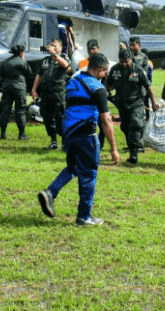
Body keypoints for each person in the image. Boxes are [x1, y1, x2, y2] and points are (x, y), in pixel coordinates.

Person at [36, 52, 120, 226]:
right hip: (86, 134)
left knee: (73, 167)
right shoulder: (97, 87)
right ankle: (84, 216)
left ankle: (50, 192)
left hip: (69, 133)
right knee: (89, 173)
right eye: (105, 72)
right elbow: (105, 119)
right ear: (100, 70)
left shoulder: (73, 82)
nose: (105, 75)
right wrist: (113, 148)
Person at [105, 48, 158, 165]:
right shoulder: (114, 70)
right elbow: (107, 85)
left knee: (135, 124)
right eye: (121, 61)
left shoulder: (138, 70)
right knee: (125, 127)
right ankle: (133, 144)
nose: (124, 64)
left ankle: (134, 153)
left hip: (136, 103)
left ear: (131, 60)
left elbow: (148, 87)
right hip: (121, 103)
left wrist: (153, 102)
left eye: (126, 61)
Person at [31, 38, 71, 150]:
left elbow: (66, 65)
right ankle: (53, 142)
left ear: (60, 47)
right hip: (45, 92)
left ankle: (64, 142)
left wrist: (55, 55)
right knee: (47, 116)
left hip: (58, 92)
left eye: (55, 46)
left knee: (61, 117)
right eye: (51, 46)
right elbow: (39, 75)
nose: (53, 48)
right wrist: (34, 90)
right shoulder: (45, 60)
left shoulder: (63, 57)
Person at [0, 44, 31, 140]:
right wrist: (23, 59)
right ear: (21, 52)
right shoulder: (21, 62)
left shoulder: (5, 62)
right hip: (19, 88)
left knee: (5, 110)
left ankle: (3, 133)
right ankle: (21, 134)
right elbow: (29, 72)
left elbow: (0, 75)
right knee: (20, 111)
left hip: (7, 87)